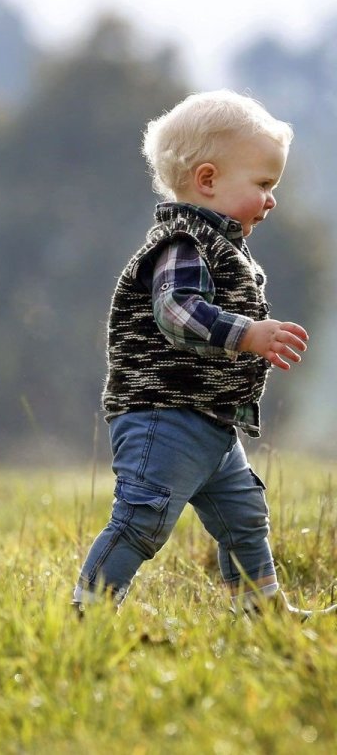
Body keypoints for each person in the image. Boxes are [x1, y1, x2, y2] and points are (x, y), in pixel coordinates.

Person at [74, 89, 327, 617]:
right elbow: (176, 311)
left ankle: (261, 614)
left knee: (244, 516)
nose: (271, 199)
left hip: (209, 422)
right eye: (263, 184)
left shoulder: (223, 245)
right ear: (208, 180)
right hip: (161, 415)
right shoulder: (183, 243)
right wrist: (247, 333)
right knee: (143, 518)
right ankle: (88, 611)